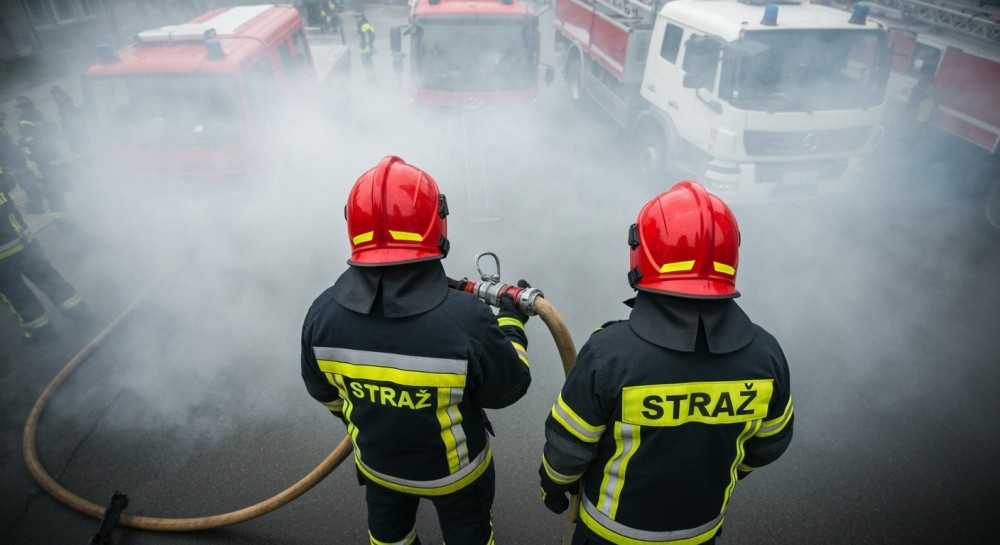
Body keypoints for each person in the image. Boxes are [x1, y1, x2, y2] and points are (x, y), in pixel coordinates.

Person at [538, 181, 794, 545]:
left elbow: (568, 450)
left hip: (611, 534)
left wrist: (552, 483)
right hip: (701, 532)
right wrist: (722, 470)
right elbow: (769, 444)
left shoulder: (608, 354)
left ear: (641, 253)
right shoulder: (766, 355)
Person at [300, 155, 532, 545]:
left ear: (353, 227)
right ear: (435, 220)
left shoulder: (322, 315)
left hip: (378, 467)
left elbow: (324, 392)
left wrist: (378, 414)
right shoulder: (466, 319)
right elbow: (509, 388)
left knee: (390, 540)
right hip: (457, 475)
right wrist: (511, 322)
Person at [0, 174, 87, 344]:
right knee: (49, 277)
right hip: (24, 241)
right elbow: (9, 181)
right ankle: (81, 313)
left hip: (3, 256)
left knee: (17, 296)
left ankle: (42, 332)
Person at [15, 97, 74, 230]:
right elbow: (44, 141)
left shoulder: (25, 122)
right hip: (50, 164)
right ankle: (65, 222)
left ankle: (64, 223)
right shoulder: (35, 116)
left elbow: (33, 147)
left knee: (55, 196)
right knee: (57, 195)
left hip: (45, 166)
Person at [0, 110, 46, 215]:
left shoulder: (2, 128)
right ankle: (35, 207)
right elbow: (5, 149)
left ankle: (35, 205)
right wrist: (11, 164)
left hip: (15, 163)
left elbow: (8, 145)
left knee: (29, 184)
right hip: (15, 164)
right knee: (30, 184)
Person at [50, 85, 89, 153]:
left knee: (85, 154)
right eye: (54, 99)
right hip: (74, 141)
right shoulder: (62, 111)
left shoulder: (73, 108)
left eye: (57, 99)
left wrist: (72, 136)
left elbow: (81, 125)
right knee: (80, 156)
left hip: (80, 140)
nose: (55, 101)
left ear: (62, 96)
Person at [356, 12, 376, 83]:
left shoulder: (364, 25)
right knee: (368, 64)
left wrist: (366, 45)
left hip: (366, 49)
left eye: (358, 17)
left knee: (367, 64)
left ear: (362, 17)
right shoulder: (365, 24)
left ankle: (371, 80)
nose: (357, 19)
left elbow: (369, 37)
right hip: (366, 48)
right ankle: (371, 78)